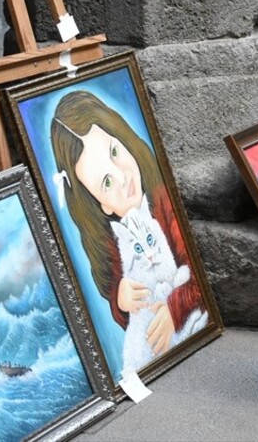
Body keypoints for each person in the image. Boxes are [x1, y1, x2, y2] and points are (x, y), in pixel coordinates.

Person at [50, 90, 209, 363]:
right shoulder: (113, 240)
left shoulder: (161, 202)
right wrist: (120, 300)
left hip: (188, 318)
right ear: (103, 206)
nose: (122, 176)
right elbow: (118, 296)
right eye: (107, 183)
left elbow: (196, 271)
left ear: (122, 138)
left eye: (114, 152)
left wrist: (175, 308)